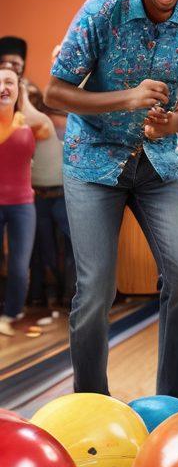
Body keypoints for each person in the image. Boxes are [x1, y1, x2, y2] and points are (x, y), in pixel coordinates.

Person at [44, 0, 178, 402]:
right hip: (93, 162)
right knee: (96, 290)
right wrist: (129, 99)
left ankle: (175, 401)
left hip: (157, 164)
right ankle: (91, 403)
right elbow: (55, 92)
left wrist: (173, 124)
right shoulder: (101, 11)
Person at [0, 65, 53, 336]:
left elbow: (45, 125)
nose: (2, 88)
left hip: (22, 205)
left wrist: (21, 94)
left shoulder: (27, 120)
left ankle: (10, 314)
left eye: (8, 82)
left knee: (20, 265)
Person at [28, 83, 75, 320]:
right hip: (39, 196)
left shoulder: (67, 123)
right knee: (44, 250)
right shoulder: (32, 125)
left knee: (68, 249)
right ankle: (48, 295)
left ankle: (68, 297)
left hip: (64, 195)